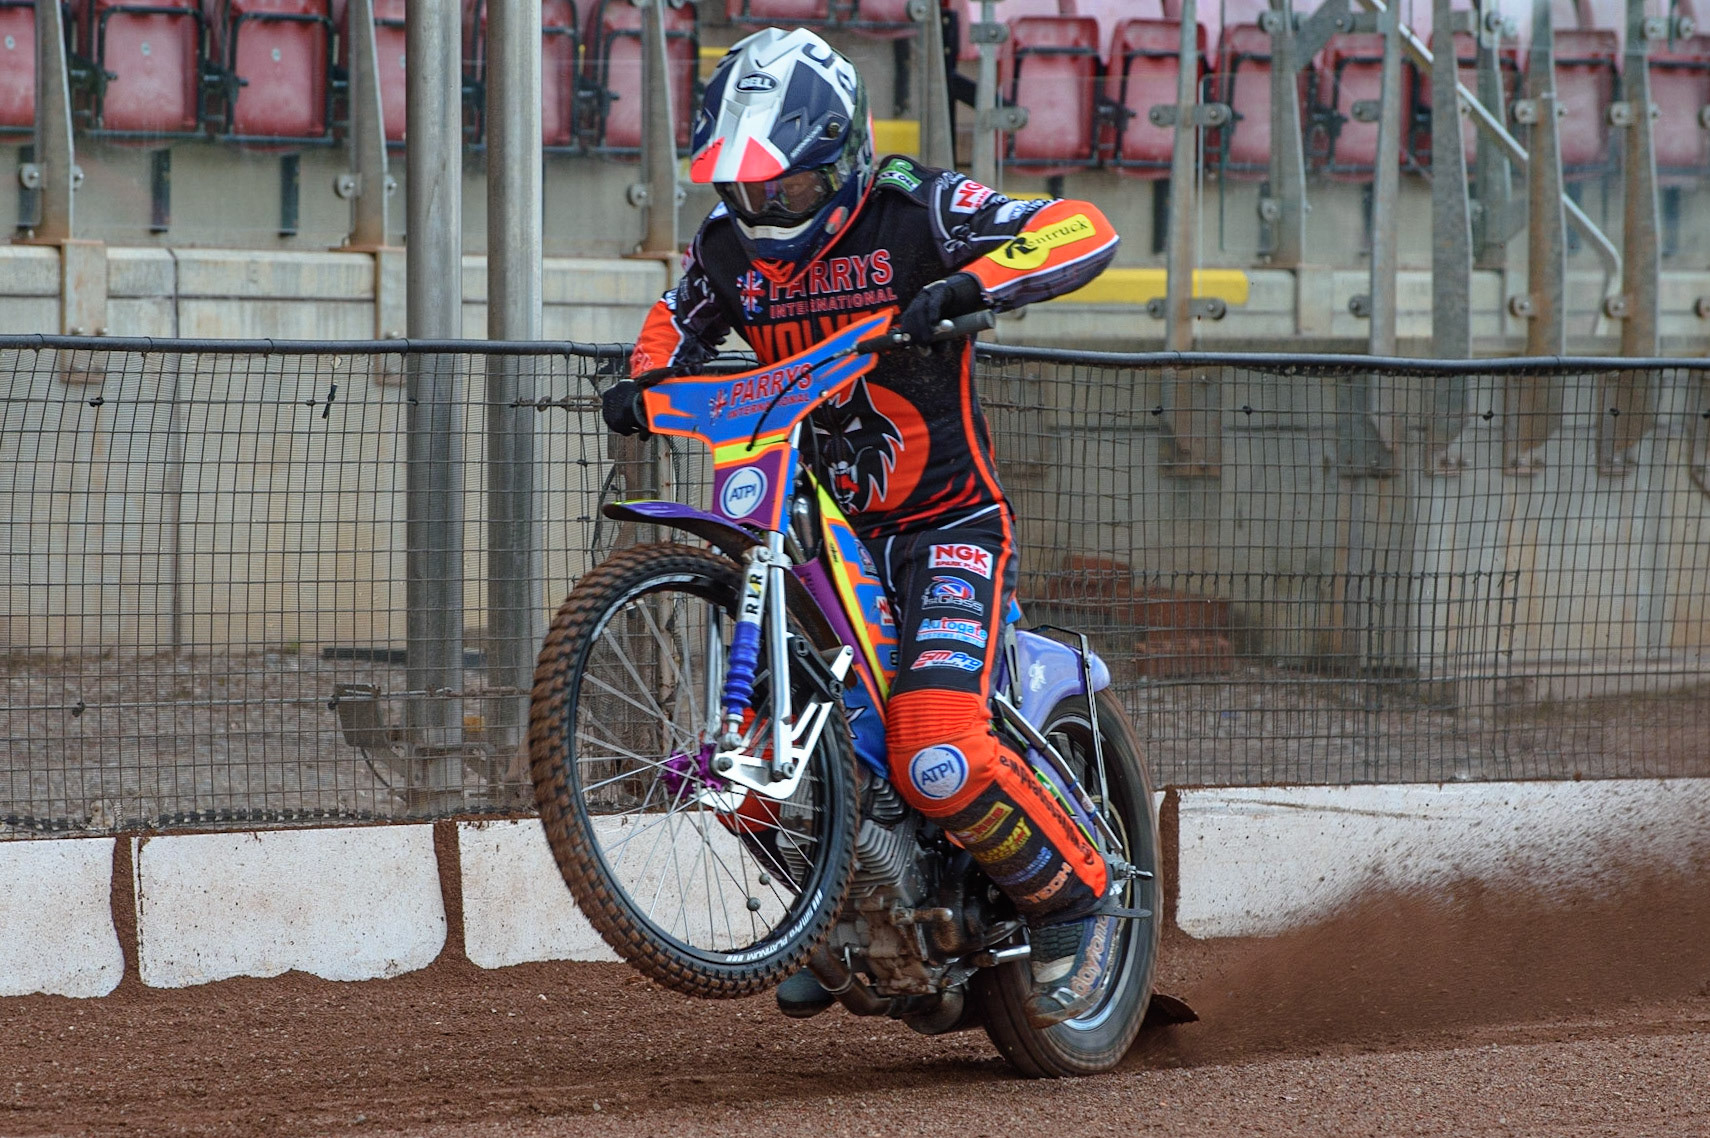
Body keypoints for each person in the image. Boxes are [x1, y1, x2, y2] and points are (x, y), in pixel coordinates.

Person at [602, 26, 1122, 1027]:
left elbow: (1078, 226)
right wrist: (641, 378)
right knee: (751, 776)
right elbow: (675, 316)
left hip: (945, 523)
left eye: (784, 188)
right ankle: (834, 912)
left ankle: (1074, 898)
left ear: (839, 156)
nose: (761, 210)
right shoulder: (726, 247)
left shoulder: (916, 209)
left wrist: (974, 282)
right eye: (744, 190)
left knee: (938, 752)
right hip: (814, 526)